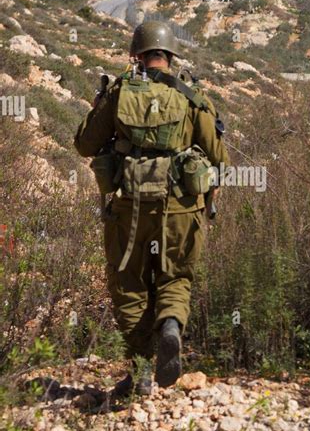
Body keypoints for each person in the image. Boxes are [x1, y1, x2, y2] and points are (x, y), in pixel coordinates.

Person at [74, 21, 229, 396]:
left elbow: (85, 144)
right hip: (180, 210)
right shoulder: (191, 95)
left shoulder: (119, 91)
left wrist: (100, 103)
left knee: (129, 284)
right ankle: (171, 324)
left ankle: (141, 371)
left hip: (130, 206)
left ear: (136, 56)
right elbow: (219, 158)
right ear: (170, 56)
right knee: (175, 278)